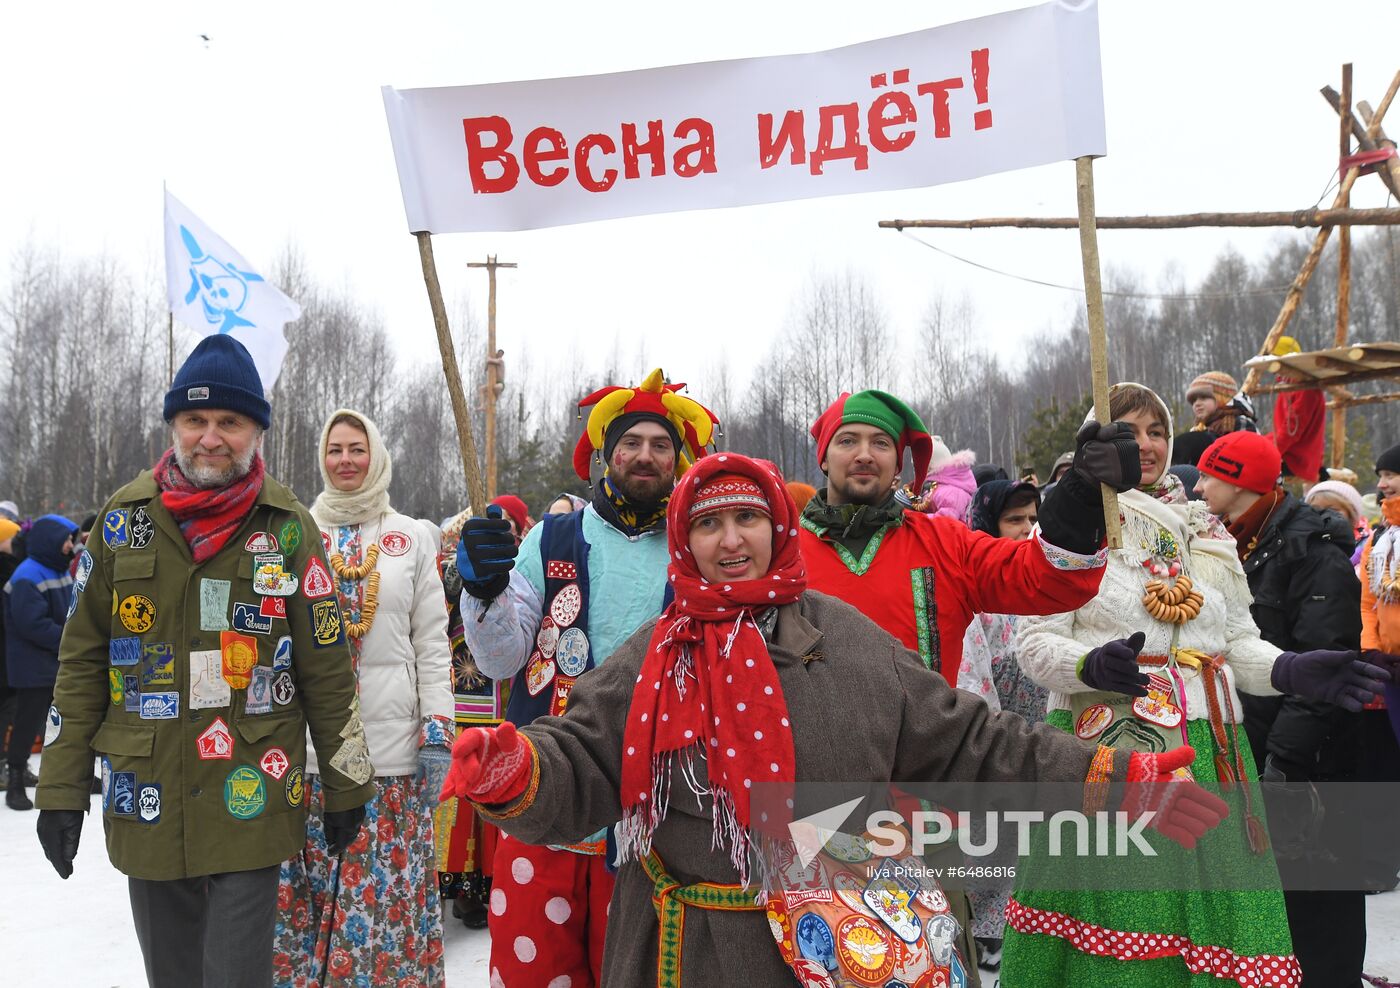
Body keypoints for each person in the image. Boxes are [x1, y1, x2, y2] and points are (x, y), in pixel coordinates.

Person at [436, 453, 1234, 987]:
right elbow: (582, 759)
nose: (730, 539)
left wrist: (1098, 772)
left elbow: (967, 740)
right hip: (695, 952)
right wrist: (517, 767)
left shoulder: (843, 636)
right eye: (707, 525)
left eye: (746, 518)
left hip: (847, 938)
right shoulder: (655, 654)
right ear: (686, 543)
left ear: (777, 526)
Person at [1004, 382, 1393, 987]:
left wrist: (1287, 668)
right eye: (1129, 431)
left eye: (1158, 430)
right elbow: (1032, 641)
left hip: (1214, 750)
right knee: (1131, 909)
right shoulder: (1069, 525)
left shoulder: (1205, 530)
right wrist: (1088, 667)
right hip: (1116, 743)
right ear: (1095, 441)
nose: (1149, 444)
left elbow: (1235, 641)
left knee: (1213, 922)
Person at [34, 335, 374, 988]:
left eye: (229, 421)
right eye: (195, 420)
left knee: (236, 978)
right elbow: (79, 665)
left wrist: (347, 782)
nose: (210, 437)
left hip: (251, 788)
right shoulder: (119, 524)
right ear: (173, 426)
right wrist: (60, 789)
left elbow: (327, 670)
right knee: (173, 978)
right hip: (148, 790)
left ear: (256, 431)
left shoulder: (288, 528)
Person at [798, 388, 1134, 982]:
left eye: (881, 443)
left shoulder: (940, 543)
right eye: (847, 441)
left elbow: (1044, 580)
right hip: (808, 801)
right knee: (815, 962)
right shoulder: (781, 553)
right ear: (823, 456)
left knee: (932, 958)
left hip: (923, 802)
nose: (864, 454)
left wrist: (1079, 495)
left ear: (900, 462)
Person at [454, 367, 719, 988]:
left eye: (660, 444)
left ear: (678, 457)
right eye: (631, 442)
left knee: (638, 975)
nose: (645, 456)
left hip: (651, 823)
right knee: (531, 974)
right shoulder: (552, 538)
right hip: (544, 801)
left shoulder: (697, 551)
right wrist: (484, 589)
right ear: (606, 451)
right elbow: (499, 659)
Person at [273, 408, 453, 987]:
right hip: (311, 757)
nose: (345, 461)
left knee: (383, 914)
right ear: (321, 459)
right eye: (335, 450)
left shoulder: (413, 538)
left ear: (376, 455)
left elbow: (432, 644)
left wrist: (436, 734)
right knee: (310, 912)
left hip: (391, 760)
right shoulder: (294, 532)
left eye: (357, 449)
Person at [1195, 429, 1367, 987]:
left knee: (1318, 906)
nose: (1198, 488)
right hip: (1251, 750)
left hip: (1309, 766)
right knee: (1270, 908)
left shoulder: (1312, 555)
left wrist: (1286, 766)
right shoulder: (1231, 543)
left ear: (1239, 483)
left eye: (1208, 476)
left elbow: (1324, 665)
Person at [959, 480, 1051, 968]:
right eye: (1015, 520)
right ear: (986, 526)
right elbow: (973, 686)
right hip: (999, 769)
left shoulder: (1047, 591)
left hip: (1052, 763)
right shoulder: (978, 600)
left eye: (1034, 519)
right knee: (994, 887)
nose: (1028, 530)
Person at [4, 514, 78, 810]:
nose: (71, 545)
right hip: (33, 667)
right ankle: (16, 781)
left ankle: (68, 777)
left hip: (56, 662)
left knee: (65, 724)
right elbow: (31, 625)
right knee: (28, 725)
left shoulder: (58, 570)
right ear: (50, 539)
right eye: (67, 539)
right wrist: (73, 639)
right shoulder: (27, 575)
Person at [1173, 370, 1256, 467]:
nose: (1197, 404)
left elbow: (1246, 456)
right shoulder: (1199, 428)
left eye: (1203, 398)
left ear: (1222, 398)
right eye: (1194, 400)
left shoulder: (1240, 422)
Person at [0, 516, 27, 791]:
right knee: (7, 709)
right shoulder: (10, 571)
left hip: (10, 652)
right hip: (7, 652)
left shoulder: (14, 568)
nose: (16, 543)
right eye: (11, 538)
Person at [1306, 479, 1370, 568]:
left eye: (1332, 510)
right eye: (1316, 509)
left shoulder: (1368, 547)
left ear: (1351, 513)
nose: (1324, 515)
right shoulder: (1303, 543)